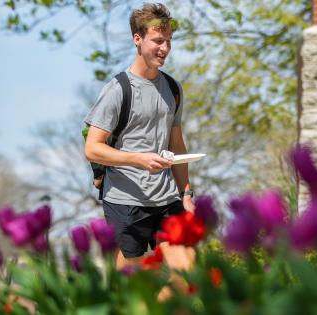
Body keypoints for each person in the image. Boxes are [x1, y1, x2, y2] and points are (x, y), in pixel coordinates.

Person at [84, 2, 195, 269]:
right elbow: (92, 148)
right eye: (158, 40)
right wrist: (138, 159)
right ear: (138, 39)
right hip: (125, 202)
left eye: (168, 41)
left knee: (187, 272)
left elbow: (177, 146)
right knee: (131, 288)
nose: (165, 48)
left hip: (167, 198)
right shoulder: (118, 90)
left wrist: (187, 194)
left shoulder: (172, 88)